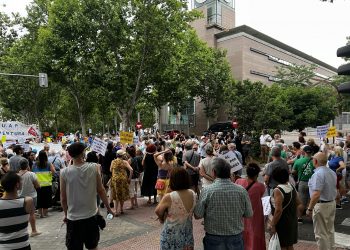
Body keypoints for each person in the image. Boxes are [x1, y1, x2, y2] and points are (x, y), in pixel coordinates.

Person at [60, 142, 114, 250]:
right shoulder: (94, 168)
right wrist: (109, 208)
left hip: (73, 219)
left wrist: (66, 214)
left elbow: (63, 197)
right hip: (91, 217)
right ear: (82, 153)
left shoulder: (64, 172)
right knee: (93, 247)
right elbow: (101, 190)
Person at [194, 157, 253, 250]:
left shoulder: (207, 191)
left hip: (213, 237)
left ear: (213, 172)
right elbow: (249, 214)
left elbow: (197, 215)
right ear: (229, 172)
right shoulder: (241, 190)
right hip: (235, 237)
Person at [155, 167, 196, 250]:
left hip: (171, 236)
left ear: (173, 179)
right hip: (187, 235)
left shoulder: (170, 196)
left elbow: (158, 211)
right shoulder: (192, 193)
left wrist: (161, 219)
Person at [306, 152, 337, 250]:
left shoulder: (318, 174)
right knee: (329, 231)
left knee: (321, 233)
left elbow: (316, 194)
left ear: (315, 161)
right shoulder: (331, 172)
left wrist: (310, 208)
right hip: (331, 203)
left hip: (322, 205)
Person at [268, 167, 302, 250]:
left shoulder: (278, 190)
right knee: (289, 245)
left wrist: (273, 224)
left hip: (282, 222)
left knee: (281, 245)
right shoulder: (292, 186)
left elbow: (278, 210)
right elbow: (299, 203)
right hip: (291, 220)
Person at [0, 171, 35, 250]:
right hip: (23, 245)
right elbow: (31, 216)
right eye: (21, 180)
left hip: (3, 247)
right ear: (17, 184)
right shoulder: (27, 201)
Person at [235, 163, 266, 250]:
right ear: (256, 174)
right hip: (255, 214)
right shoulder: (260, 186)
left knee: (243, 233)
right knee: (255, 234)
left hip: (241, 213)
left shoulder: (238, 182)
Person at [18, 158, 41, 237]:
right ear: (27, 165)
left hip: (20, 197)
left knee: (21, 214)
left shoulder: (16, 176)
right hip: (32, 197)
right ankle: (34, 231)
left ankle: (22, 232)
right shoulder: (31, 174)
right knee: (31, 214)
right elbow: (38, 185)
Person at [291, 145, 314, 223]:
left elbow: (293, 172)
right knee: (312, 201)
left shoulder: (298, 161)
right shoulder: (315, 161)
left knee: (301, 201)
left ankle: (299, 218)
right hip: (313, 183)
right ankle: (312, 218)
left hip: (302, 183)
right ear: (312, 152)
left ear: (303, 152)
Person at [32, 150, 56, 218]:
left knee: (39, 199)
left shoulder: (35, 164)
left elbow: (32, 172)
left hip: (37, 185)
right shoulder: (48, 163)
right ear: (46, 156)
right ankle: (45, 213)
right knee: (46, 199)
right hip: (47, 184)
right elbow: (54, 172)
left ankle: (40, 213)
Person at [110, 149, 133, 215]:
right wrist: (129, 178)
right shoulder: (125, 162)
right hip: (123, 179)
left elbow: (110, 170)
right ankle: (121, 209)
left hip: (115, 179)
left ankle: (116, 211)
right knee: (122, 194)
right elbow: (131, 170)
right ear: (122, 155)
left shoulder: (113, 161)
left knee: (115, 195)